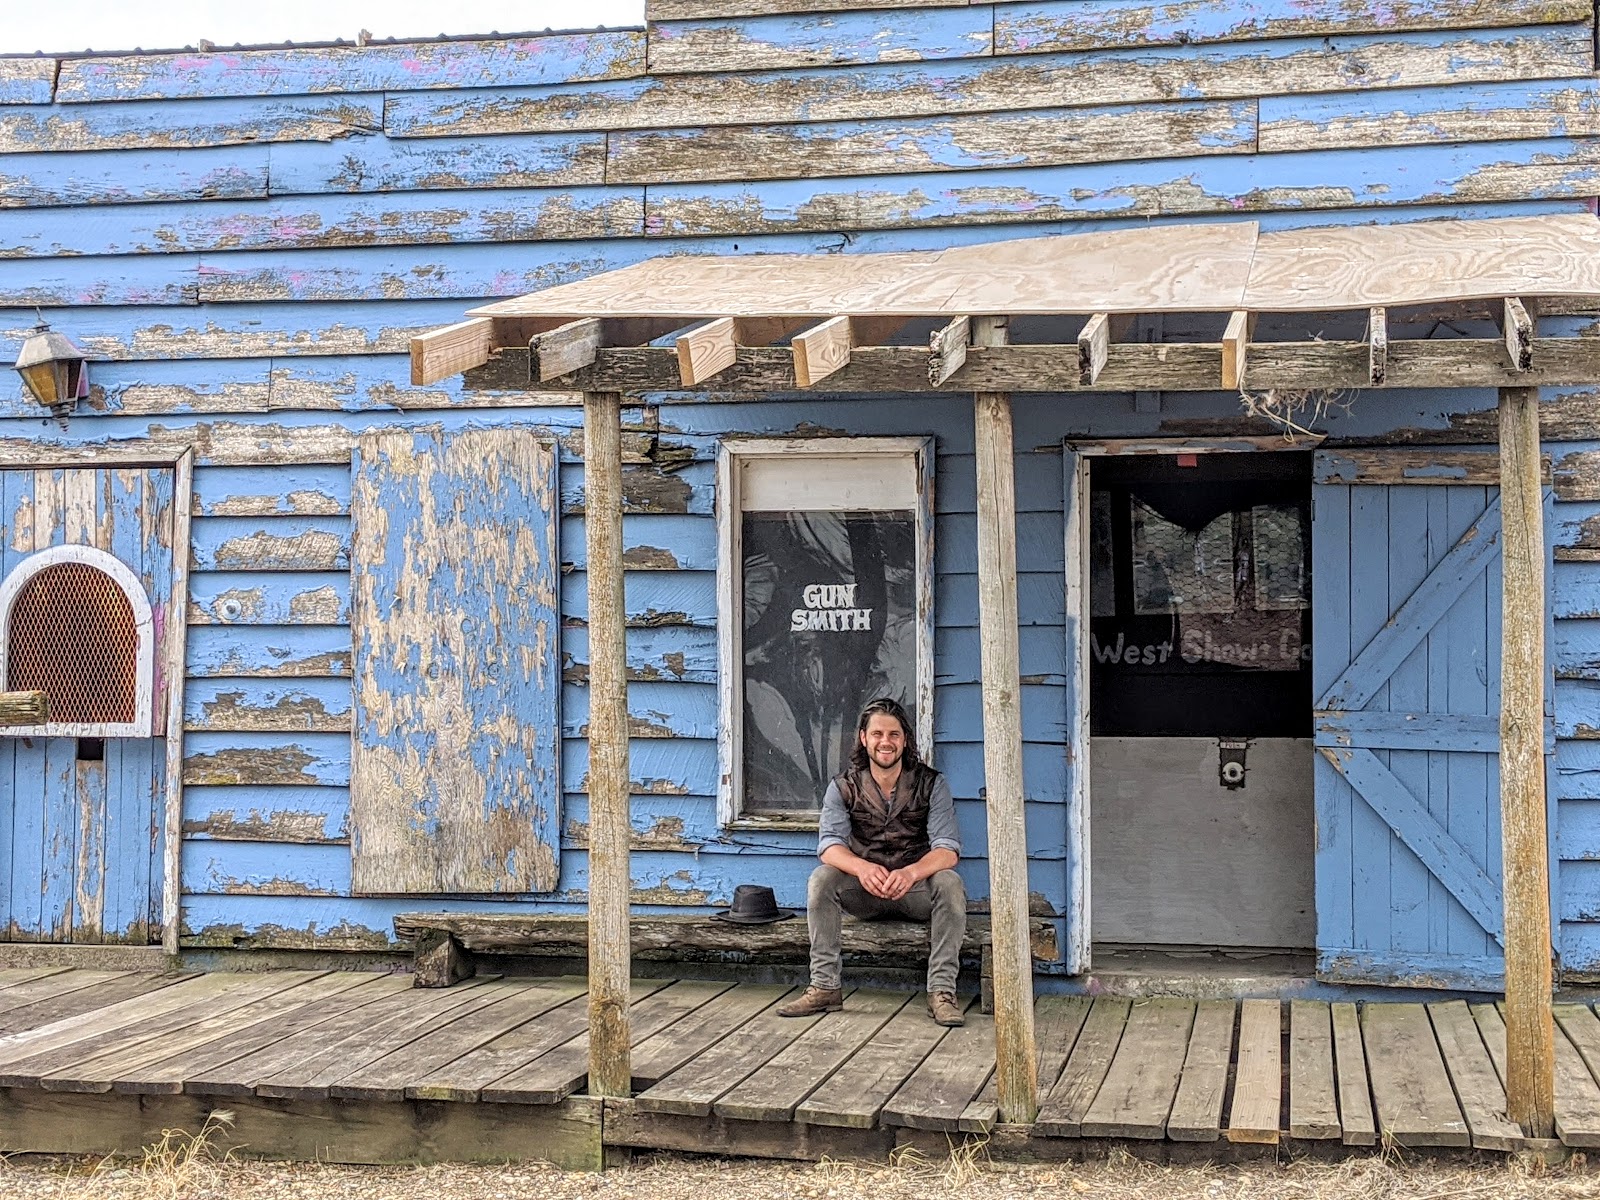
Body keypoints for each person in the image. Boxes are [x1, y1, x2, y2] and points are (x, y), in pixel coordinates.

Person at [778, 697, 968, 1026]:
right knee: (822, 878)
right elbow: (829, 846)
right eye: (877, 733)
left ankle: (941, 992)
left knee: (950, 883)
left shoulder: (931, 783)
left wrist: (911, 873)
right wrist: (862, 868)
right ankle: (824, 986)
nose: (885, 742)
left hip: (915, 894)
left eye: (894, 734)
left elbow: (947, 849)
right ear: (864, 738)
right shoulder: (843, 786)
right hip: (864, 893)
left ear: (905, 740)